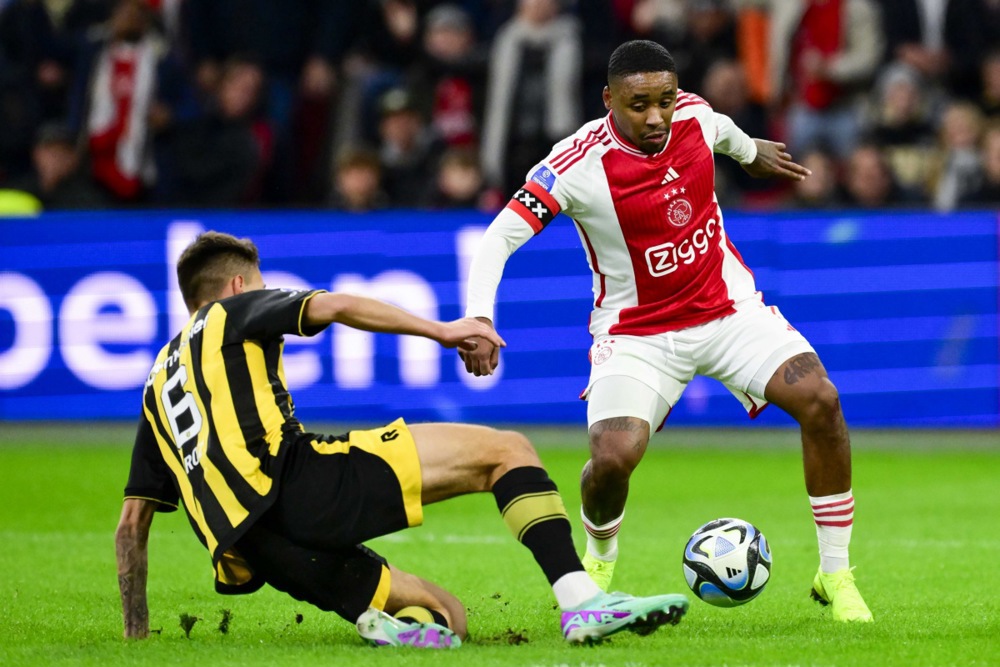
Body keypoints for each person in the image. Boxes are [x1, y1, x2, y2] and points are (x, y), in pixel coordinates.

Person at [459, 40, 873, 623]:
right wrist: (480, 316)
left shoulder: (696, 117)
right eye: (639, 104)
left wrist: (752, 152)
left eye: (665, 101)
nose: (657, 117)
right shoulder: (576, 164)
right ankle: (599, 563)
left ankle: (836, 575)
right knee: (611, 459)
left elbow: (727, 133)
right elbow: (500, 235)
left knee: (822, 402)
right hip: (637, 334)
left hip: (729, 313)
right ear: (609, 100)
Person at [115, 231, 689, 648]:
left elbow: (131, 527)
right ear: (239, 285)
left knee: (448, 620)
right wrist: (442, 331)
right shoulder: (232, 311)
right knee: (509, 451)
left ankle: (377, 623)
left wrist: (136, 635)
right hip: (300, 485)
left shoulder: (158, 384)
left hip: (262, 552)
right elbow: (335, 304)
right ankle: (581, 603)